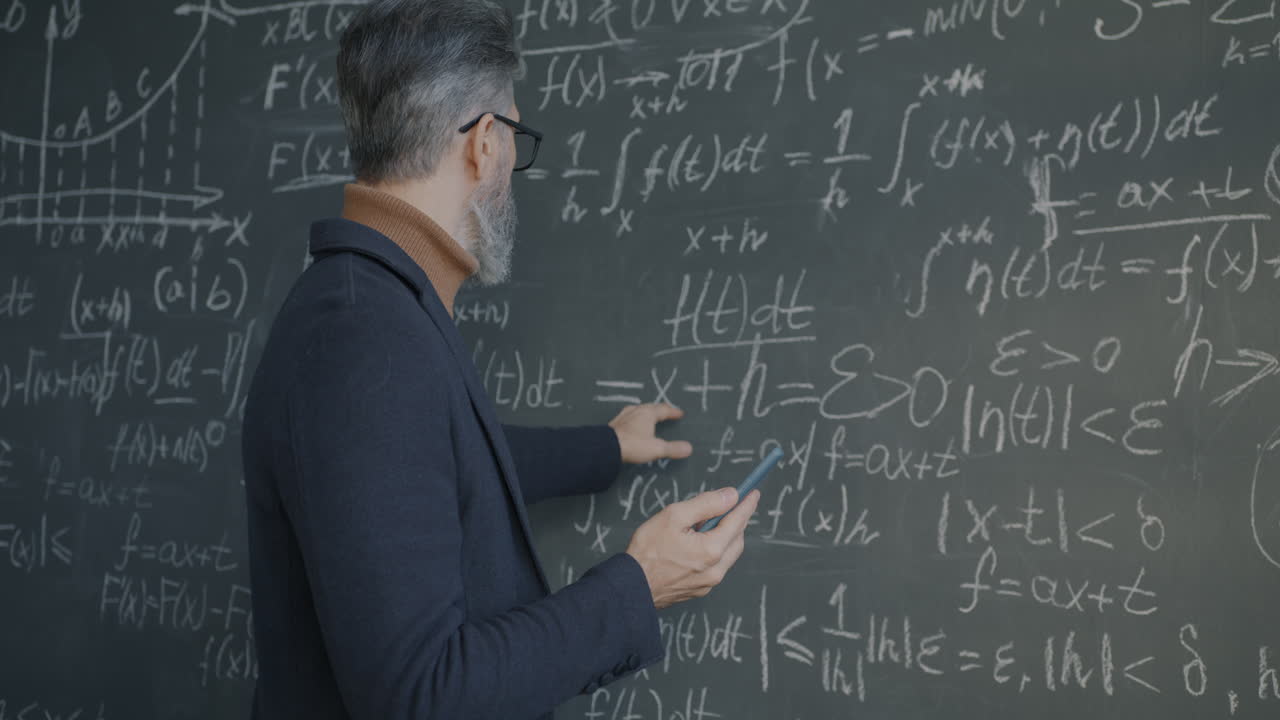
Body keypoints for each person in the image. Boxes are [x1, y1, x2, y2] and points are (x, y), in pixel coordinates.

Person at [239, 1, 761, 718]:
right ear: (485, 142)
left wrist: (603, 447)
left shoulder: (367, 307)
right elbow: (423, 696)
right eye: (514, 135)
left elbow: (429, 463)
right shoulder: (364, 340)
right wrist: (639, 585)